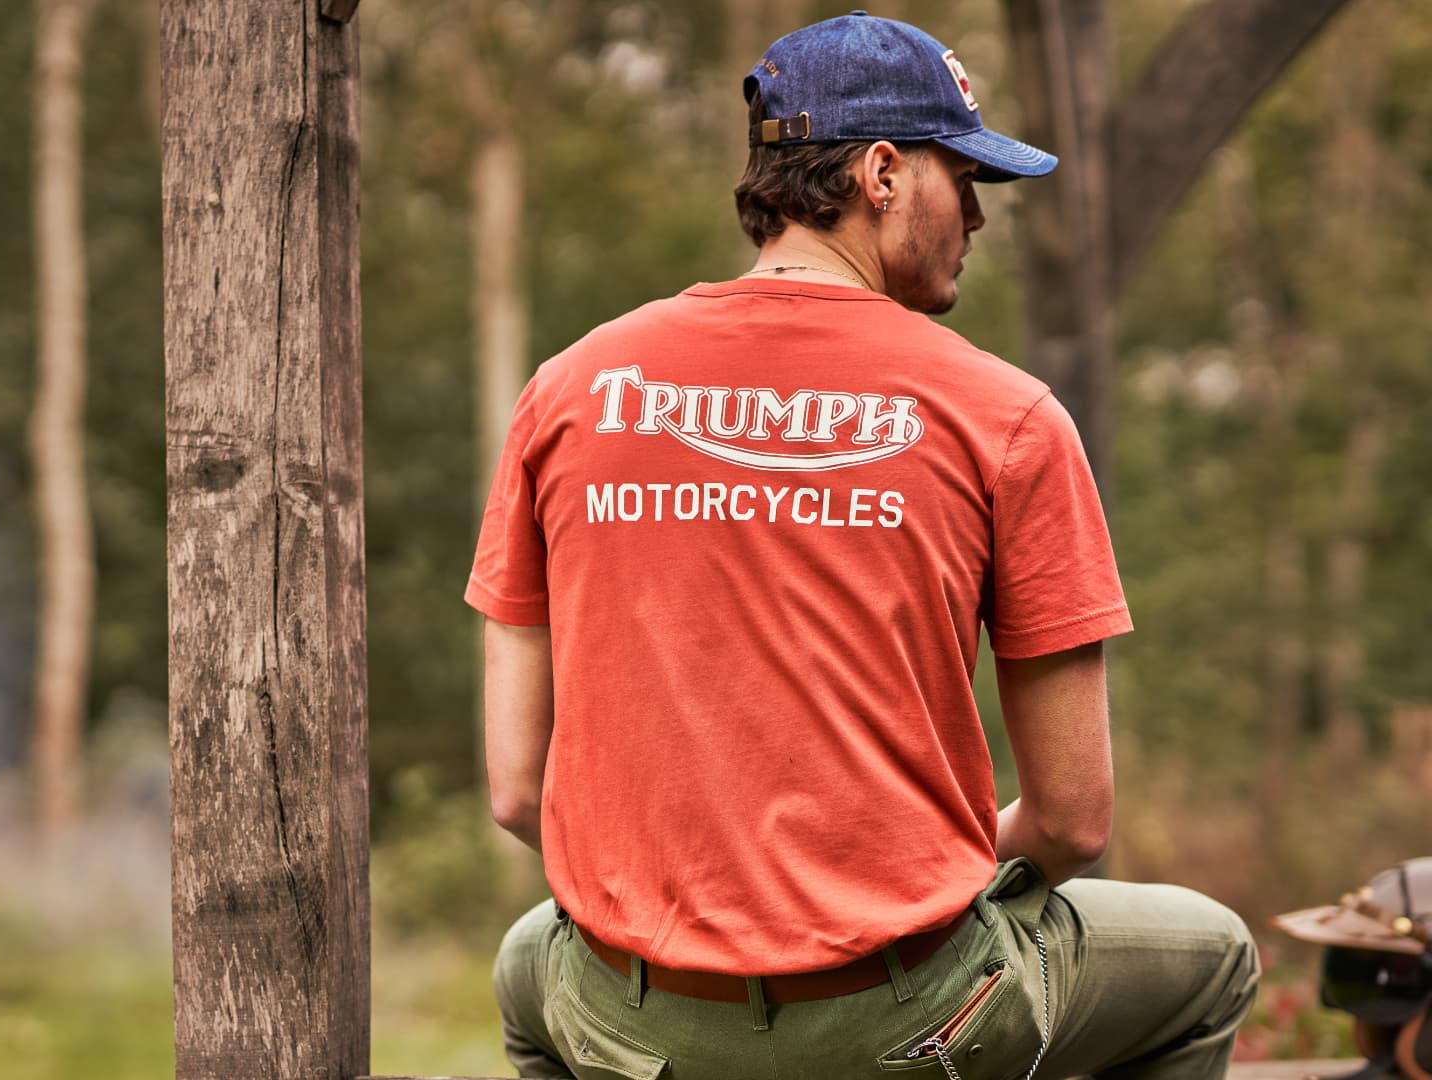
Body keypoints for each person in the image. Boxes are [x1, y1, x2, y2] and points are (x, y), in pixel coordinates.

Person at [466, 12, 1259, 1080]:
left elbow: (518, 792)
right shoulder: (1006, 417)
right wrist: (895, 876)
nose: (977, 215)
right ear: (882, 173)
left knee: (531, 964)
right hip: (899, 1024)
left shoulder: (565, 392)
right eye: (962, 176)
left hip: (636, 1023)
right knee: (1212, 958)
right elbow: (1072, 824)